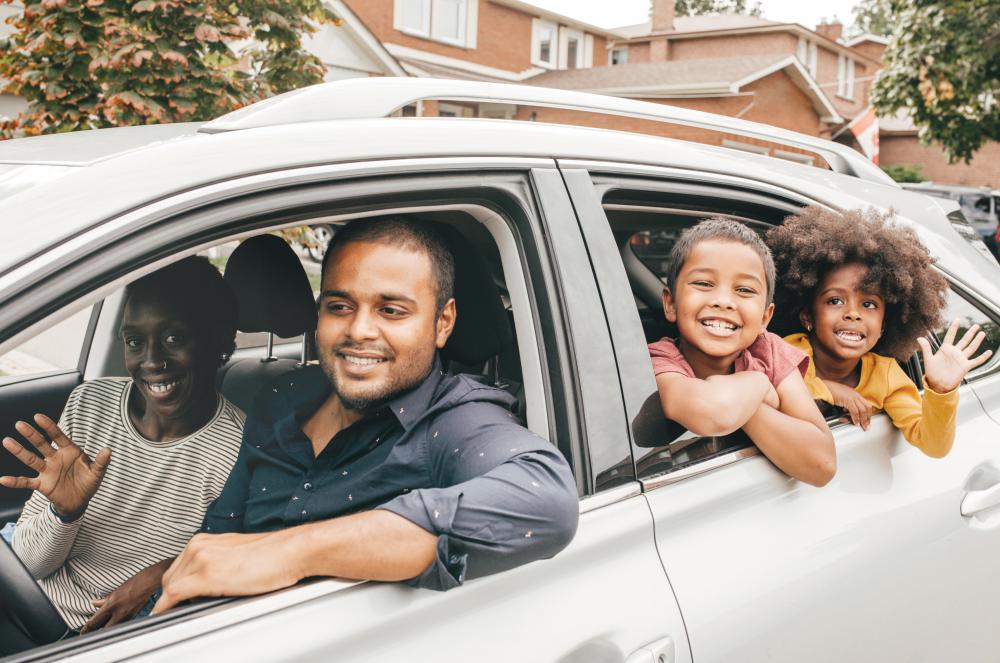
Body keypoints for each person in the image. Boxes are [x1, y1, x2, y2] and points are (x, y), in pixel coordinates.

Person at [148, 216, 578, 614]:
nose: (358, 331)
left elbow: (547, 500)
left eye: (391, 310)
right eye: (340, 306)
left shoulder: (454, 421)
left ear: (443, 323)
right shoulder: (281, 397)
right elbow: (223, 532)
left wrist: (291, 552)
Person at [0, 257, 244, 632]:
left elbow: (226, 566)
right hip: (19, 592)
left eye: (173, 338)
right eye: (135, 341)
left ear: (218, 339)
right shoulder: (90, 404)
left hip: (72, 636)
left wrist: (165, 573)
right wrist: (65, 513)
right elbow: (29, 563)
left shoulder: (236, 450)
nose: (152, 361)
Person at [767, 206, 992, 458]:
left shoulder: (884, 376)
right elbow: (769, 389)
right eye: (834, 301)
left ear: (884, 325)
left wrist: (940, 390)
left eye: (869, 304)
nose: (853, 313)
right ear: (807, 315)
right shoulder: (787, 350)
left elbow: (933, 445)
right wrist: (832, 390)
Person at [648, 218, 836, 487]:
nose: (723, 301)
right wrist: (759, 384)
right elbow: (712, 412)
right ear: (670, 303)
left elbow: (823, 465)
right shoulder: (659, 360)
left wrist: (748, 404)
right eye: (703, 283)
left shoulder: (769, 351)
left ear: (764, 317)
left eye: (744, 290)